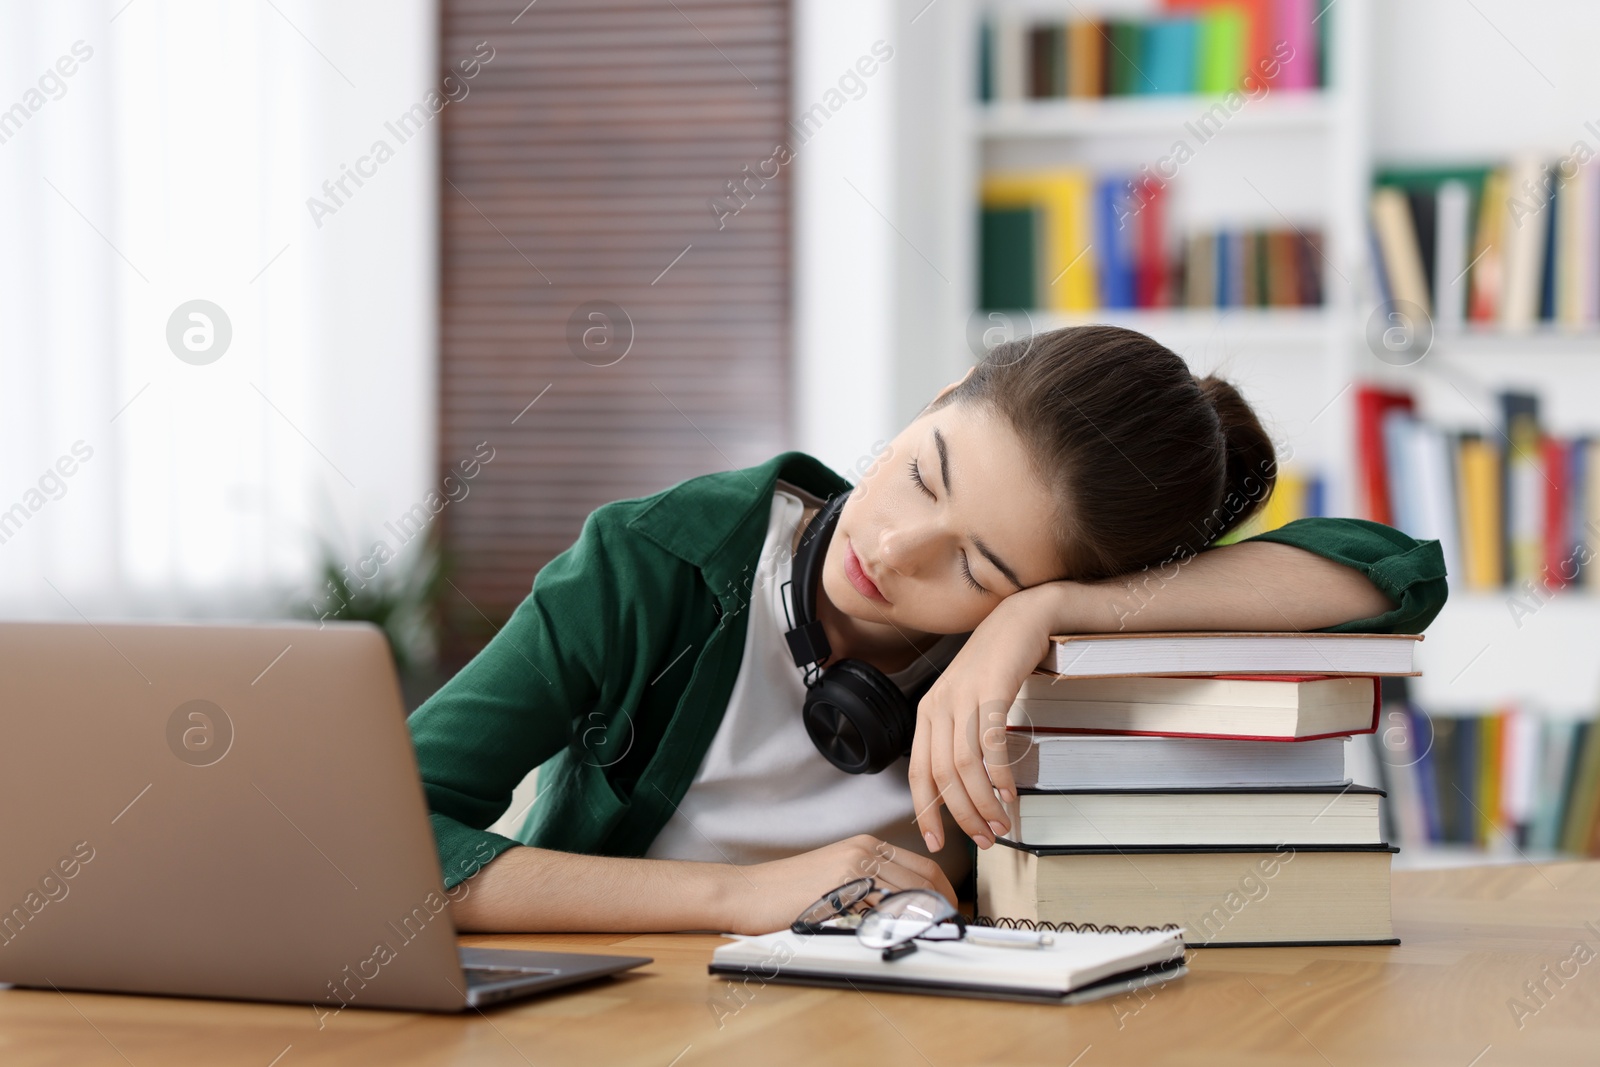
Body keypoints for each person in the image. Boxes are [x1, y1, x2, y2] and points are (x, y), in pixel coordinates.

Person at [408, 325, 1447, 936]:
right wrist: (743, 894)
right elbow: (381, 840)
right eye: (920, 471)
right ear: (937, 397)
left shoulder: (1037, 632)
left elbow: (1388, 573)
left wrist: (1048, 613)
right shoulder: (653, 564)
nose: (895, 547)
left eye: (977, 566)